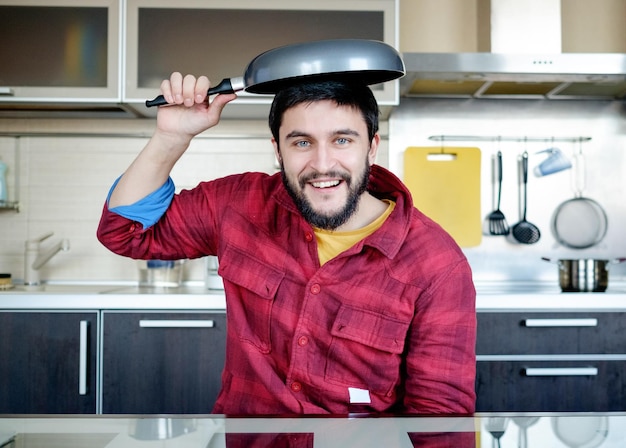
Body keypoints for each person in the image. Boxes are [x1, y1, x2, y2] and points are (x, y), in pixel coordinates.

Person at [97, 71, 476, 415]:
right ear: (278, 150)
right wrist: (171, 136)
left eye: (342, 140)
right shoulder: (239, 204)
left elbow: (439, 415)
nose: (322, 163)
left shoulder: (437, 264)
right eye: (301, 143)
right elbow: (124, 232)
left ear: (372, 147)